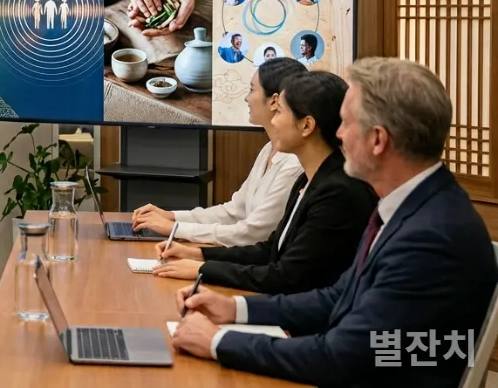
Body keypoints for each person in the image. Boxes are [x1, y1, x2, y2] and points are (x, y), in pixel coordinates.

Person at [172, 58, 498, 387]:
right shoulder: (410, 204)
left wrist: (218, 341)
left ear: (377, 140)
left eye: (346, 123)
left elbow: (342, 358)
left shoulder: (429, 235)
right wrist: (235, 308)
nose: (338, 134)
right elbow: (337, 297)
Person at [153, 71, 378, 294]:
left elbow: (287, 277)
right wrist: (199, 254)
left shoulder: (337, 192)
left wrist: (204, 269)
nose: (274, 120)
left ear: (306, 125)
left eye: (279, 111)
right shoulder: (308, 178)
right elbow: (271, 250)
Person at [131, 59, 305, 246]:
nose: (246, 98)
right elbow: (234, 212)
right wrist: (172, 216)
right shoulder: (269, 148)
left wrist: (175, 228)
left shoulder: (294, 165)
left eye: (252, 90)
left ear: (274, 101)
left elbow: (252, 233)